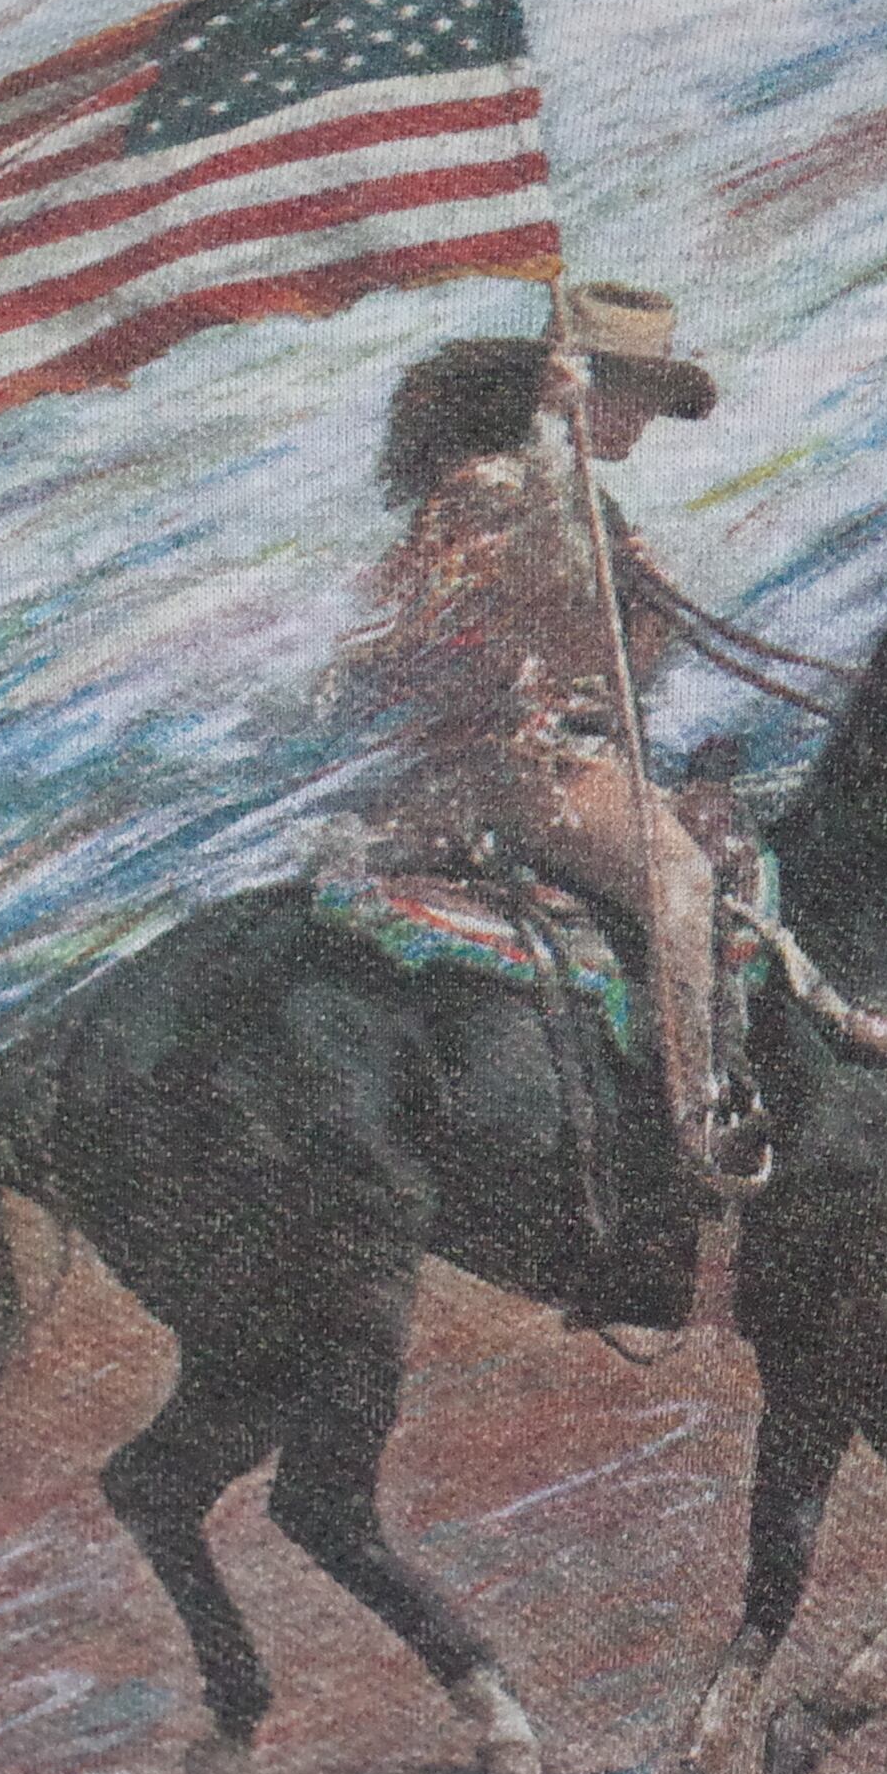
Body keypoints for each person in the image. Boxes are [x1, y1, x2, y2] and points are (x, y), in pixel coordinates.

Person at [335, 279, 770, 1194]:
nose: (642, 421)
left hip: (584, 752)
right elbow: (460, 636)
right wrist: (548, 459)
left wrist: (647, 617)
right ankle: (699, 1126)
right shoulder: (492, 490)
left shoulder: (591, 504)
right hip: (518, 762)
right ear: (579, 386)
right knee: (680, 883)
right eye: (634, 396)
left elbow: (620, 667)